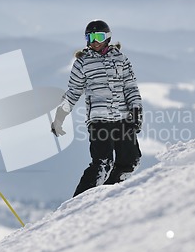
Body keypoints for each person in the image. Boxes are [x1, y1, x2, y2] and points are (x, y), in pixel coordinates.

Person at [51, 20, 142, 197]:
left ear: (107, 37)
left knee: (131, 161)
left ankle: (107, 194)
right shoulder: (82, 63)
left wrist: (136, 113)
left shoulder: (121, 59)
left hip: (123, 118)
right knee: (103, 163)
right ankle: (78, 201)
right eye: (90, 37)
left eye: (98, 36)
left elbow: (130, 87)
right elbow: (73, 92)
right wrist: (60, 116)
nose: (94, 41)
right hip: (99, 120)